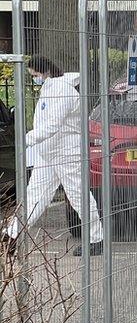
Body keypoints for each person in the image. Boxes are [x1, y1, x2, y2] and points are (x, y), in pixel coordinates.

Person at [3, 56, 104, 256]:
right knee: (34, 196)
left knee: (78, 195)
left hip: (66, 152)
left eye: (35, 75)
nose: (34, 79)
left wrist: (25, 140)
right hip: (48, 152)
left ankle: (96, 239)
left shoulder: (63, 90)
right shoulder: (49, 87)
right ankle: (11, 236)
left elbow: (52, 125)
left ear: (44, 71)